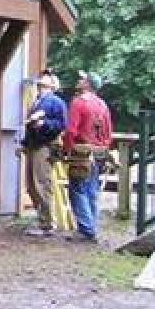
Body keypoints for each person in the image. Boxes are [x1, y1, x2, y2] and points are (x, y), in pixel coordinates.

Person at [63, 70, 113, 243]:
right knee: (91, 191)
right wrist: (103, 149)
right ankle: (91, 227)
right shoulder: (103, 104)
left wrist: (67, 149)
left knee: (77, 190)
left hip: (81, 154)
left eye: (82, 79)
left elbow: (70, 130)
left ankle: (86, 230)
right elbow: (108, 133)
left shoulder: (78, 103)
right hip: (99, 153)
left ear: (88, 84)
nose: (79, 80)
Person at [21, 70, 67, 236]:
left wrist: (44, 124)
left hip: (45, 146)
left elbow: (61, 124)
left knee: (42, 184)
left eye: (46, 77)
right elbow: (29, 126)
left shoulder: (56, 102)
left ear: (52, 84)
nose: (42, 79)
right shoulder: (37, 102)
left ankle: (47, 224)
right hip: (34, 145)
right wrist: (24, 144)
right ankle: (42, 219)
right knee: (32, 185)